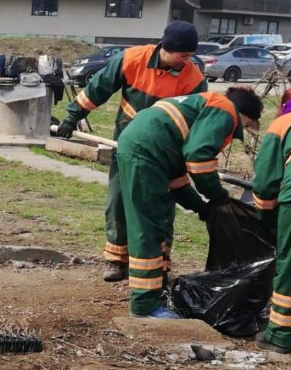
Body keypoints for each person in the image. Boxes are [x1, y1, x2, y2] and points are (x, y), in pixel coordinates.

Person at [57, 21, 207, 282]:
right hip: (126, 147)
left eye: (190, 56)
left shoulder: (193, 79)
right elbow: (98, 88)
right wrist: (72, 116)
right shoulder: (131, 59)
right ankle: (116, 260)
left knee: (161, 207)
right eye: (183, 55)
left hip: (165, 154)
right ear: (168, 48)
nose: (187, 61)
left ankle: (159, 263)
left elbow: (195, 123)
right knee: (118, 201)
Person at [117, 87, 263, 319]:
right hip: (146, 153)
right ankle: (144, 305)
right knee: (147, 228)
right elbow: (199, 158)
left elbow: (178, 182)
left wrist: (201, 207)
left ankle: (155, 288)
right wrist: (217, 196)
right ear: (245, 114)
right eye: (246, 125)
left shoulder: (202, 106)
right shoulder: (225, 110)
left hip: (148, 149)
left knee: (157, 223)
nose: (241, 129)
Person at [251, 89, 291, 353]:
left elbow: (266, 183)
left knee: (289, 268)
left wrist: (265, 219)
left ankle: (280, 335)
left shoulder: (283, 123)